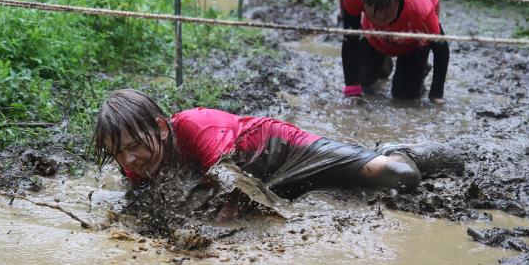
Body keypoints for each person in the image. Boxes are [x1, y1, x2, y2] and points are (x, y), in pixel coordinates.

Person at [93, 90, 458, 207]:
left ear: (159, 128)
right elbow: (139, 198)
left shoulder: (196, 125)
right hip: (268, 185)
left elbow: (227, 180)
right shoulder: (131, 160)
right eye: (117, 154)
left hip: (281, 150)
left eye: (134, 147)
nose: (128, 160)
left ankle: (398, 148)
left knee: (399, 177)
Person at [341, 0, 449, 103]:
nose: (381, 20)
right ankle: (383, 63)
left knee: (404, 96)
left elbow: (441, 48)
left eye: (387, 15)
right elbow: (349, 38)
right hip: (375, 35)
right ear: (362, 0)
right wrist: (352, 91)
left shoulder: (421, 9)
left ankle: (420, 70)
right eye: (374, 15)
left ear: (398, 0)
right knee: (363, 80)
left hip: (413, 40)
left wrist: (436, 94)